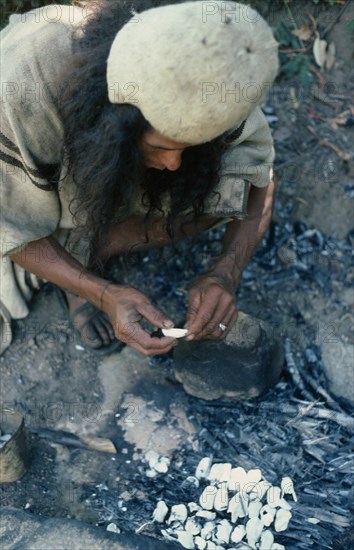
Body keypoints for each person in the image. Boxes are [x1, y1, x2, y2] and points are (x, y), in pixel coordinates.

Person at [0, 0, 279, 356]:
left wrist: (227, 272)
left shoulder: (210, 69)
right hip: (39, 181)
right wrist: (101, 293)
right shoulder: (26, 82)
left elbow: (260, 182)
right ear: (116, 120)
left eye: (187, 147)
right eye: (161, 146)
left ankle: (94, 248)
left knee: (223, 197)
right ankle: (77, 276)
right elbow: (9, 224)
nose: (174, 164)